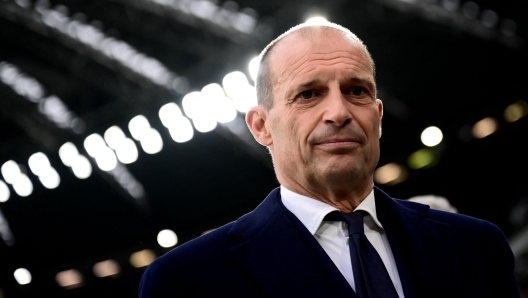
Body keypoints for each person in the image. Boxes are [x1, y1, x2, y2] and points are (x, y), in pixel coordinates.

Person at [138, 21, 520, 297]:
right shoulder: (186, 281)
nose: (339, 111)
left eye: (356, 91)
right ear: (261, 126)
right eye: (308, 94)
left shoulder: (476, 246)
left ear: (378, 116)